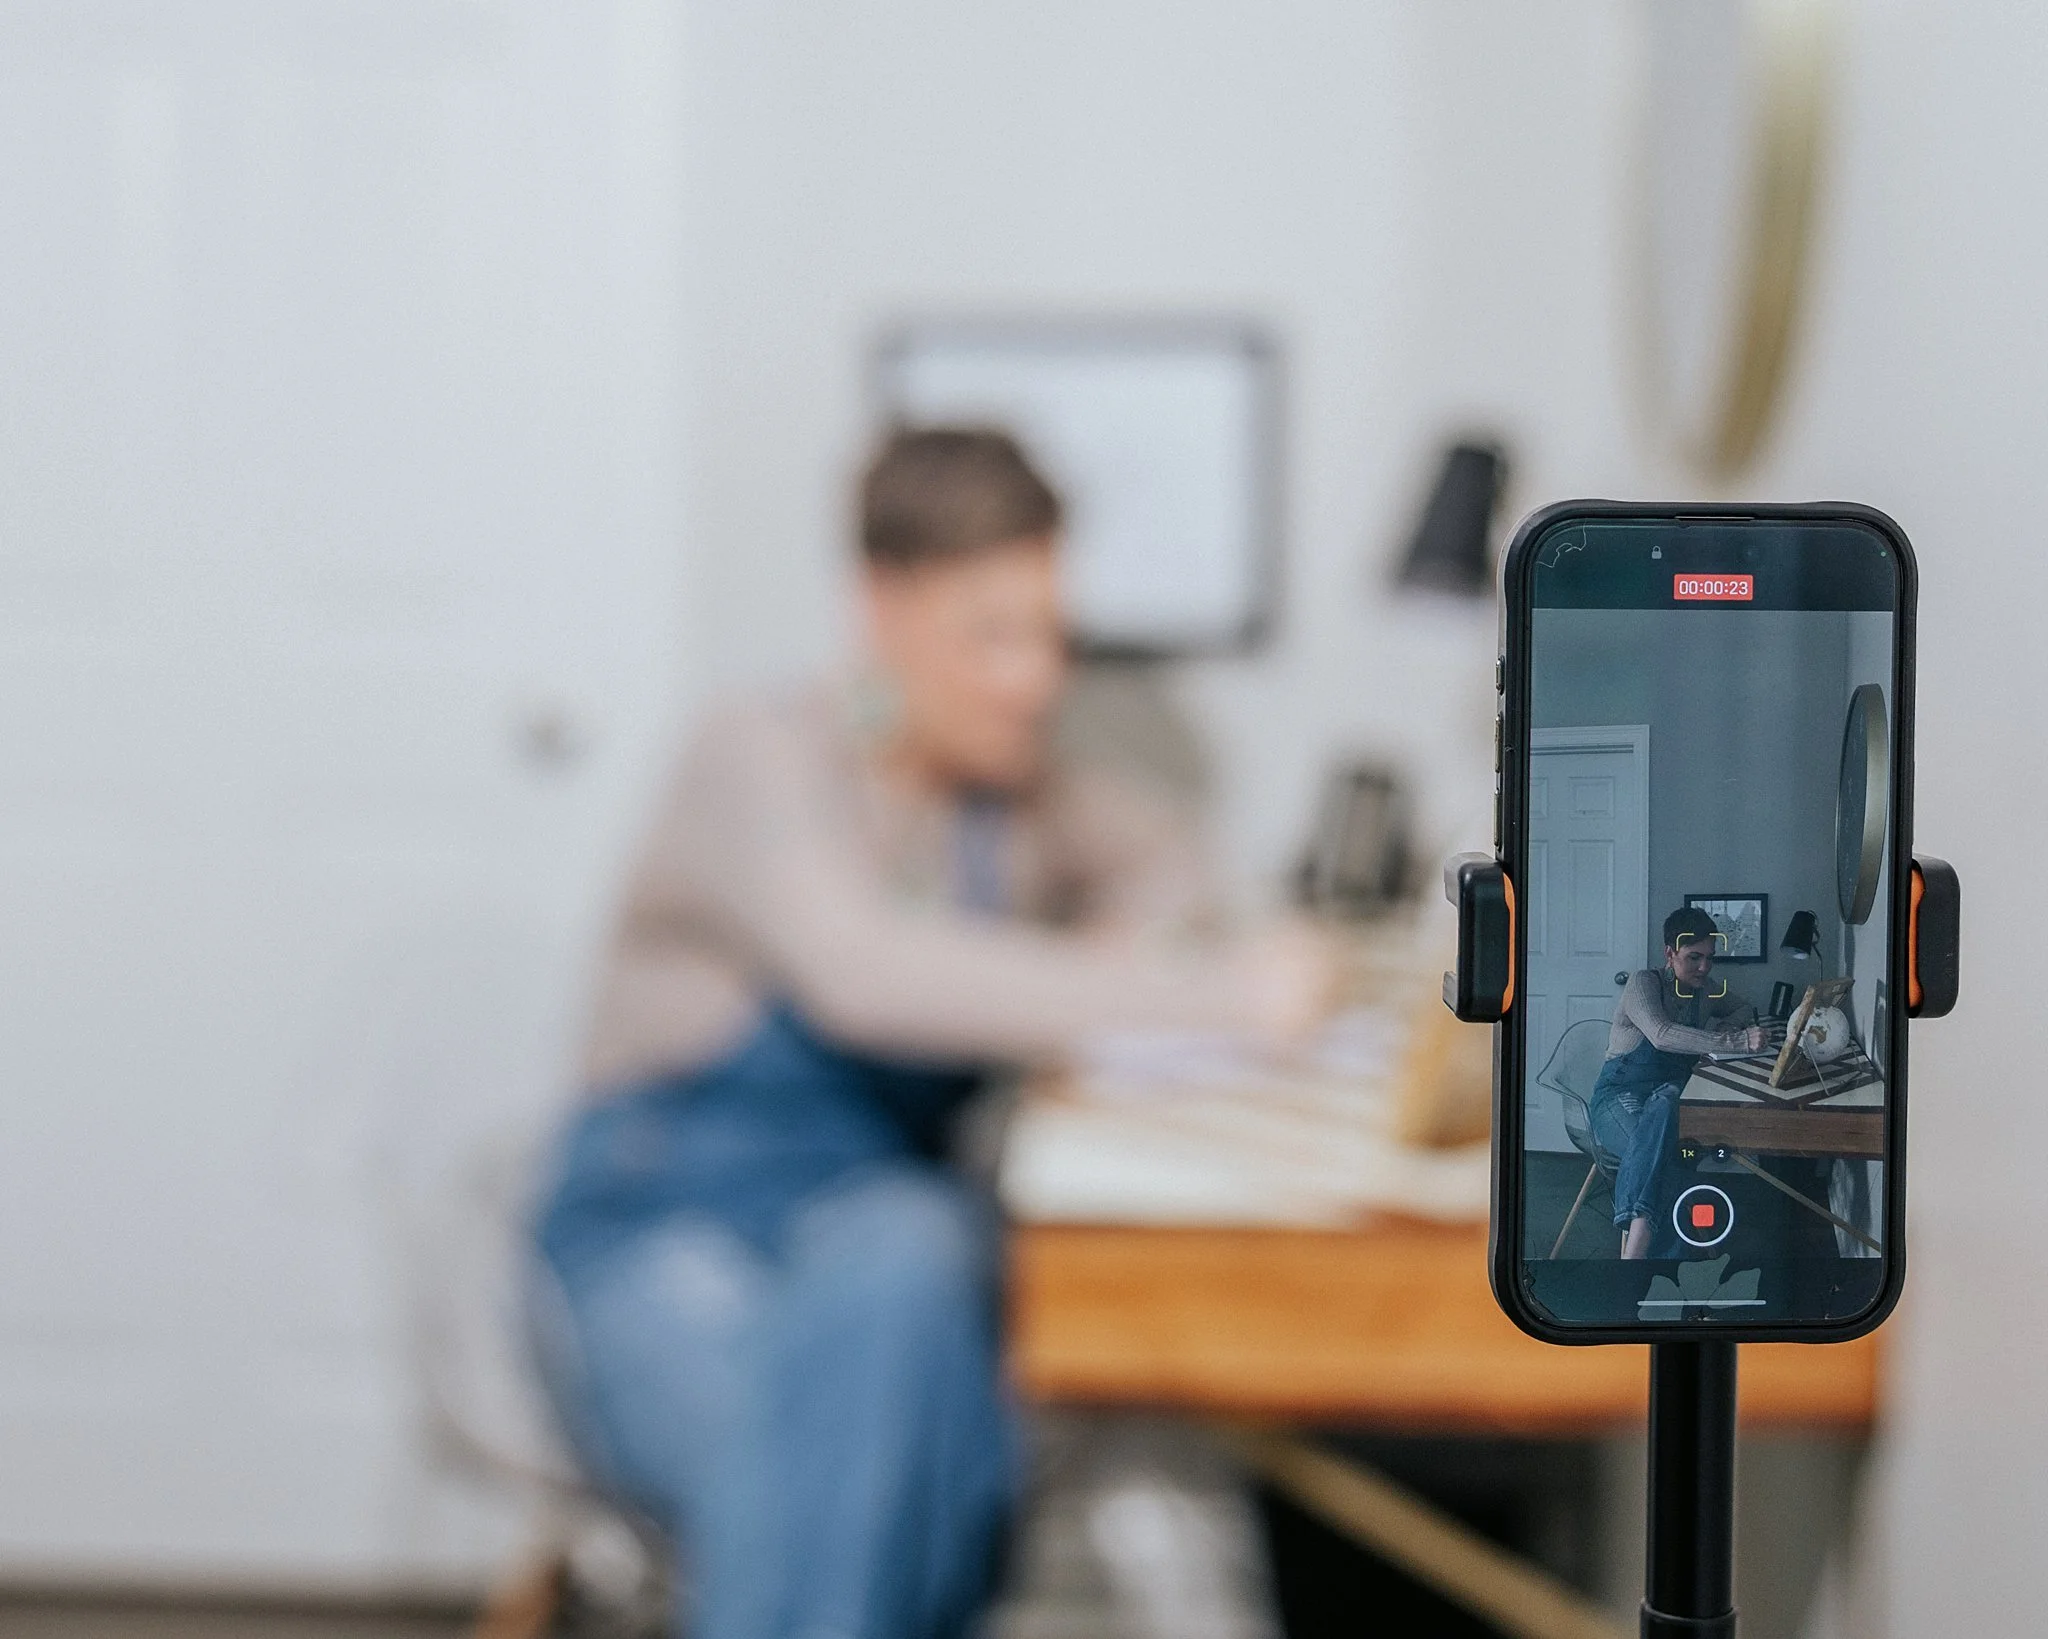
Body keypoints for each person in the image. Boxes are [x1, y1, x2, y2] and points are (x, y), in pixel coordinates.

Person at [529, 427, 1332, 1639]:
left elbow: (1177, 861)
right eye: (991, 636)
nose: (1034, 679)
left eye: (1051, 636)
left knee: (910, 1278)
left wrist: (1120, 935)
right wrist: (1223, 1001)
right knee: (881, 1436)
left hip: (876, 1267)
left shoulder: (1004, 799)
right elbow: (865, 977)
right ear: (880, 607)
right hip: (669, 1242)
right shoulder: (762, 752)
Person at [1592, 906, 1765, 1260]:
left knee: (1668, 1108)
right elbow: (1661, 1034)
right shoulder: (1644, 983)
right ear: (1670, 953)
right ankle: (1656, 1252)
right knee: (1665, 1154)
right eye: (1694, 957)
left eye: (1710, 958)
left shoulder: (1706, 990)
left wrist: (1722, 1026)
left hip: (1667, 1100)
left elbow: (1745, 1008)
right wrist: (1735, 1041)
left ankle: (1637, 1258)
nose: (1704, 967)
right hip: (1619, 1096)